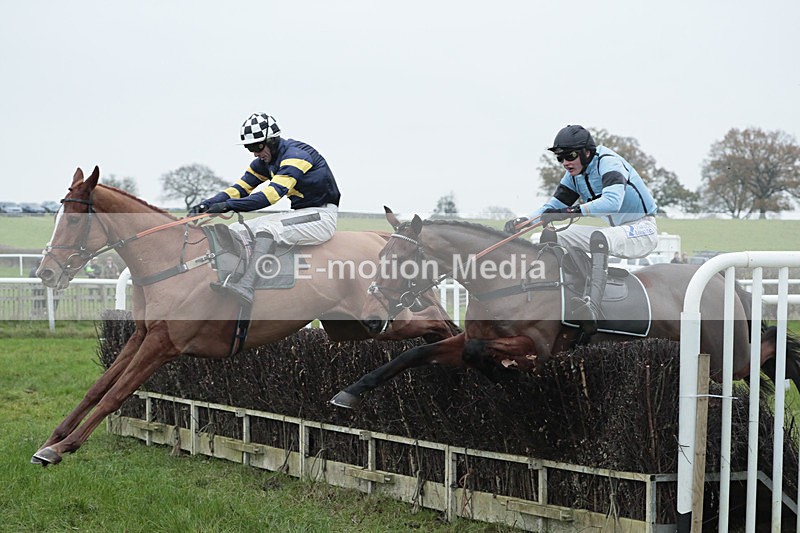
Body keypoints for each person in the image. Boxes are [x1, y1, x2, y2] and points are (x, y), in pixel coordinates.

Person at [504, 125, 658, 334]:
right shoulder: (574, 174)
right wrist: (524, 221)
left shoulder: (609, 162)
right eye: (560, 158)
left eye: (570, 156)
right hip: (617, 230)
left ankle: (592, 308)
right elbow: (553, 206)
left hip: (643, 229)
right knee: (553, 234)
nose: (565, 163)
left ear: (587, 152)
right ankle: (552, 297)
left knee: (599, 237)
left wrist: (572, 211)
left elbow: (612, 202)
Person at [188, 113, 341, 303]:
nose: (254, 153)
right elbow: (239, 189)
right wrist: (206, 204)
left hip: (321, 216)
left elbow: (271, 196)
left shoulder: (296, 156)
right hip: (301, 214)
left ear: (272, 140)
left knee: (268, 228)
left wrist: (227, 206)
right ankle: (234, 278)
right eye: (249, 148)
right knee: (236, 229)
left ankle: (247, 286)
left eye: (257, 147)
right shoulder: (264, 162)